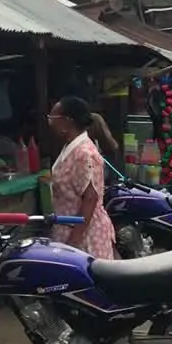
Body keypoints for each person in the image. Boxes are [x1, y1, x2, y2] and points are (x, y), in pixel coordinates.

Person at [47, 96, 116, 260]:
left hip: (85, 238)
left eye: (53, 118)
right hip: (67, 231)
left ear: (66, 122)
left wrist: (73, 242)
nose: (50, 123)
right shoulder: (70, 148)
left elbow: (90, 199)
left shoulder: (84, 154)